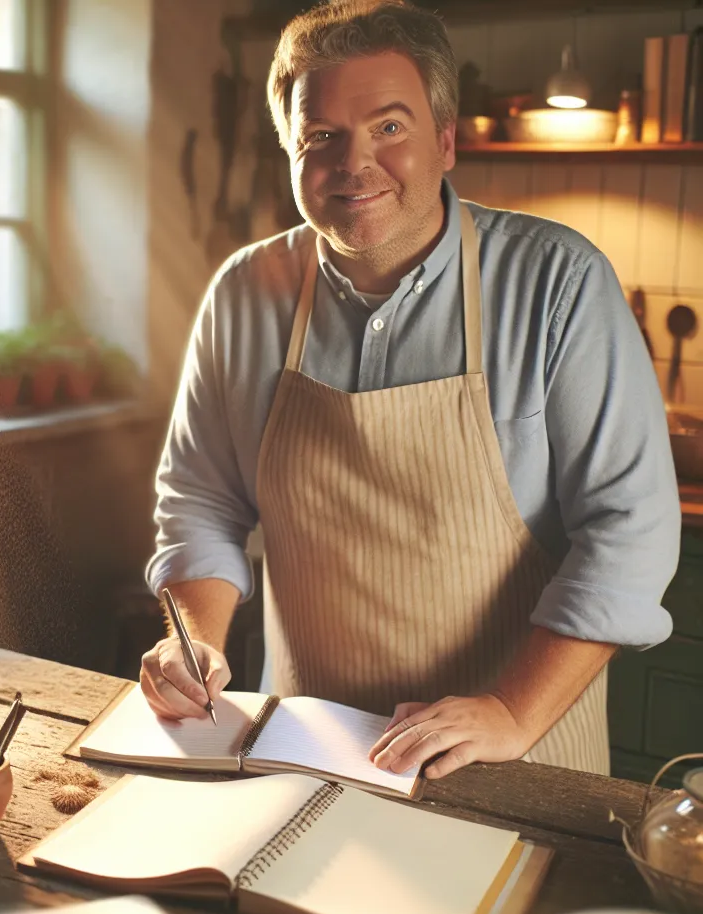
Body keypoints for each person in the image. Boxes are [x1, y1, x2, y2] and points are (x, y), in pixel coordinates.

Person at [141, 0, 680, 778]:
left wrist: (511, 713)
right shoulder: (243, 294)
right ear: (291, 150)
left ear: (447, 139)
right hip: (309, 748)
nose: (353, 165)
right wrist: (195, 641)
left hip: (516, 754)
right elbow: (200, 498)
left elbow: (629, 531)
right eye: (322, 136)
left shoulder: (557, 283)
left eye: (389, 127)